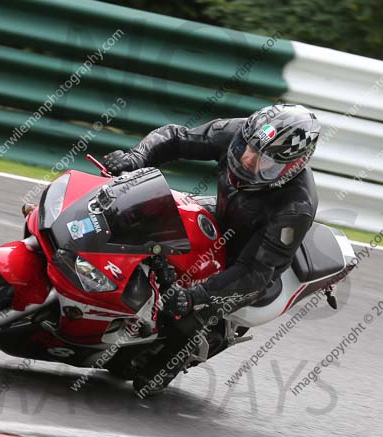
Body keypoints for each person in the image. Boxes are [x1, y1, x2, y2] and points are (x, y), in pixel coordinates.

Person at [102, 104, 321, 396]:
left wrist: (195, 297)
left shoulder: (295, 208)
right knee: (145, 217)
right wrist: (137, 157)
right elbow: (176, 138)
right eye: (247, 148)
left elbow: (254, 274)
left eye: (264, 162)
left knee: (185, 316)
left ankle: (168, 361)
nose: (247, 160)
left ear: (291, 167)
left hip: (250, 260)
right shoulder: (242, 132)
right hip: (223, 212)